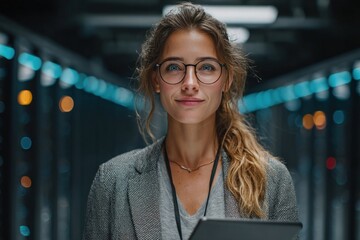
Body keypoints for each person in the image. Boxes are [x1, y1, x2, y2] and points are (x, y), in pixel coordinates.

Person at [83, 2, 299, 240]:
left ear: (225, 80)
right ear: (156, 80)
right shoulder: (113, 182)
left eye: (206, 67)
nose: (190, 83)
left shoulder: (272, 180)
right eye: (174, 67)